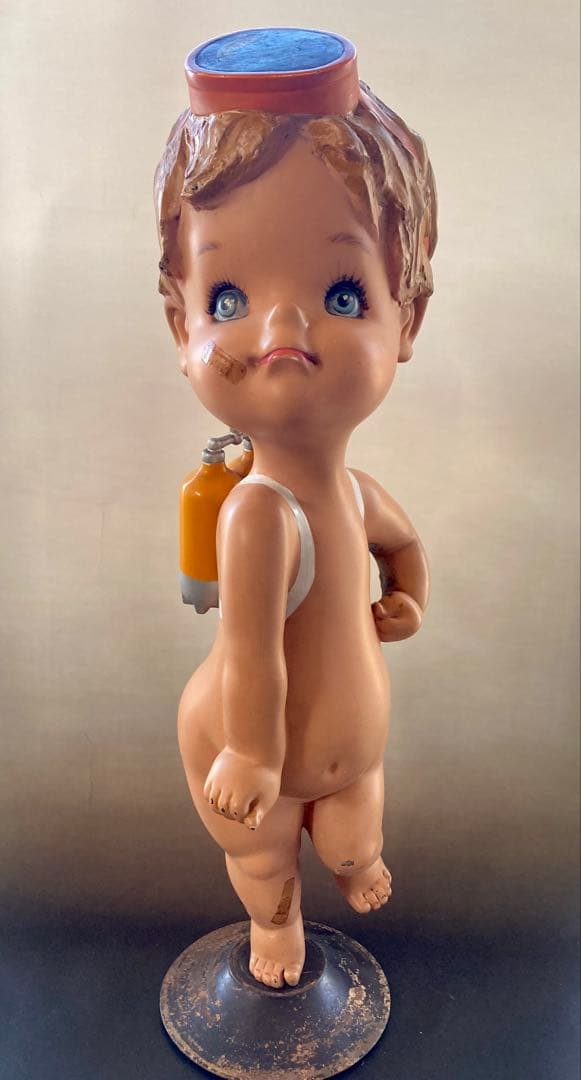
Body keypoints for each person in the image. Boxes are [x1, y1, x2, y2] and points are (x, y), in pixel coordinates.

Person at [155, 29, 436, 990]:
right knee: (265, 856)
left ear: (407, 316)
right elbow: (250, 654)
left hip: (349, 749)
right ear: (180, 324)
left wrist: (410, 592)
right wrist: (247, 750)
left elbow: (401, 542)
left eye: (343, 294)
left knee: (355, 842)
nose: (281, 327)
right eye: (229, 296)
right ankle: (274, 931)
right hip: (247, 749)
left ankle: (348, 860)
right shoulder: (258, 516)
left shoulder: (353, 492)